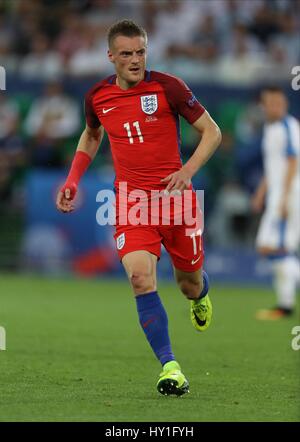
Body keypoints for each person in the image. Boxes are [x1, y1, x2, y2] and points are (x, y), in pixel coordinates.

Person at [56, 20, 221, 396]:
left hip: (177, 202)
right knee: (140, 279)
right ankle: (171, 367)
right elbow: (92, 133)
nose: (135, 60)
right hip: (132, 203)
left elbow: (212, 131)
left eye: (141, 52)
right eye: (126, 54)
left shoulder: (169, 87)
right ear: (110, 56)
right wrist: (72, 180)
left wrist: (187, 170)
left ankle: (201, 294)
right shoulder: (97, 96)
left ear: (148, 51)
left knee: (188, 284)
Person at [252, 86, 300, 320]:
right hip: (277, 195)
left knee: (274, 247)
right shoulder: (270, 129)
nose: (276, 108)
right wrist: (261, 193)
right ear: (264, 106)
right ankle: (285, 305)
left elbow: (293, 162)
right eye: (271, 104)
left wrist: (284, 198)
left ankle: (286, 304)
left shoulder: (288, 127)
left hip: (288, 195)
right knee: (276, 249)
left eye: (280, 103)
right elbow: (273, 168)